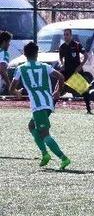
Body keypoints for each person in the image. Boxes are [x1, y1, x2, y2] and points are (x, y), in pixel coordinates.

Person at [10, 41, 70, 169]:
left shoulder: (20, 69)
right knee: (32, 126)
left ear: (25, 54)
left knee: (44, 133)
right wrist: (57, 91)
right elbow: (61, 77)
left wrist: (17, 92)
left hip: (39, 105)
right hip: (48, 102)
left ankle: (63, 158)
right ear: (37, 54)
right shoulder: (45, 66)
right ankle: (45, 154)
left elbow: (11, 88)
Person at [58, 28, 93, 114]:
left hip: (75, 72)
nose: (65, 36)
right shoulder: (62, 47)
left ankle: (89, 109)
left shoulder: (77, 45)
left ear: (71, 35)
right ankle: (51, 107)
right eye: (64, 34)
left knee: (85, 90)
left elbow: (86, 56)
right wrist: (62, 64)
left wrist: (80, 66)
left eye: (67, 34)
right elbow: (60, 58)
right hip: (66, 72)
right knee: (57, 88)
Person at [0, 30, 11, 94]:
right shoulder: (4, 53)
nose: (9, 45)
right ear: (4, 42)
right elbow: (2, 69)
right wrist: (10, 87)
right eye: (9, 42)